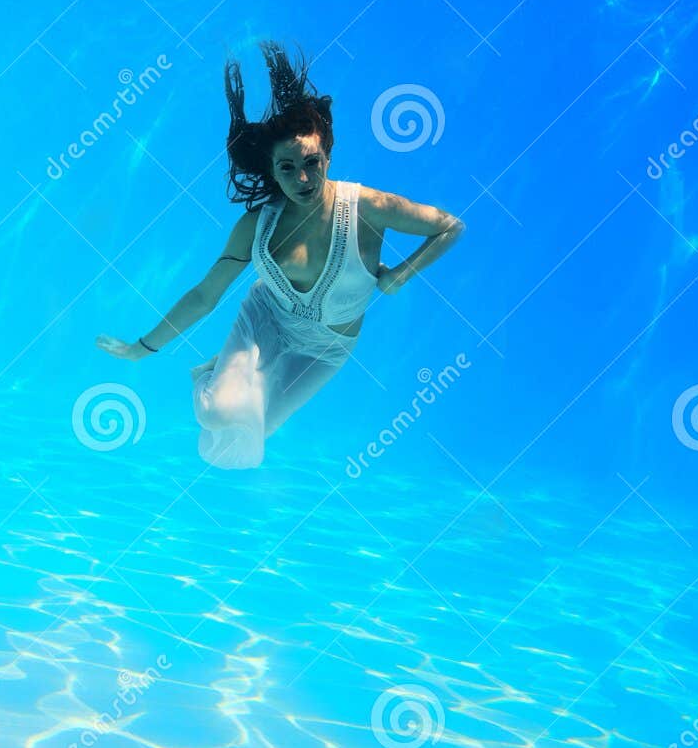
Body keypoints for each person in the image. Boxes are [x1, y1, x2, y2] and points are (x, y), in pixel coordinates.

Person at [95, 42, 465, 468]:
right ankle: (210, 381)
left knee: (241, 448)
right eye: (286, 168)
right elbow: (205, 296)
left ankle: (220, 373)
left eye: (312, 162)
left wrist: (401, 273)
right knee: (220, 412)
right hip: (264, 321)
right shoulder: (258, 225)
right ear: (271, 171)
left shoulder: (367, 207)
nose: (302, 178)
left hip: (327, 349)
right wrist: (143, 348)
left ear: (328, 154)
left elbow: (450, 226)